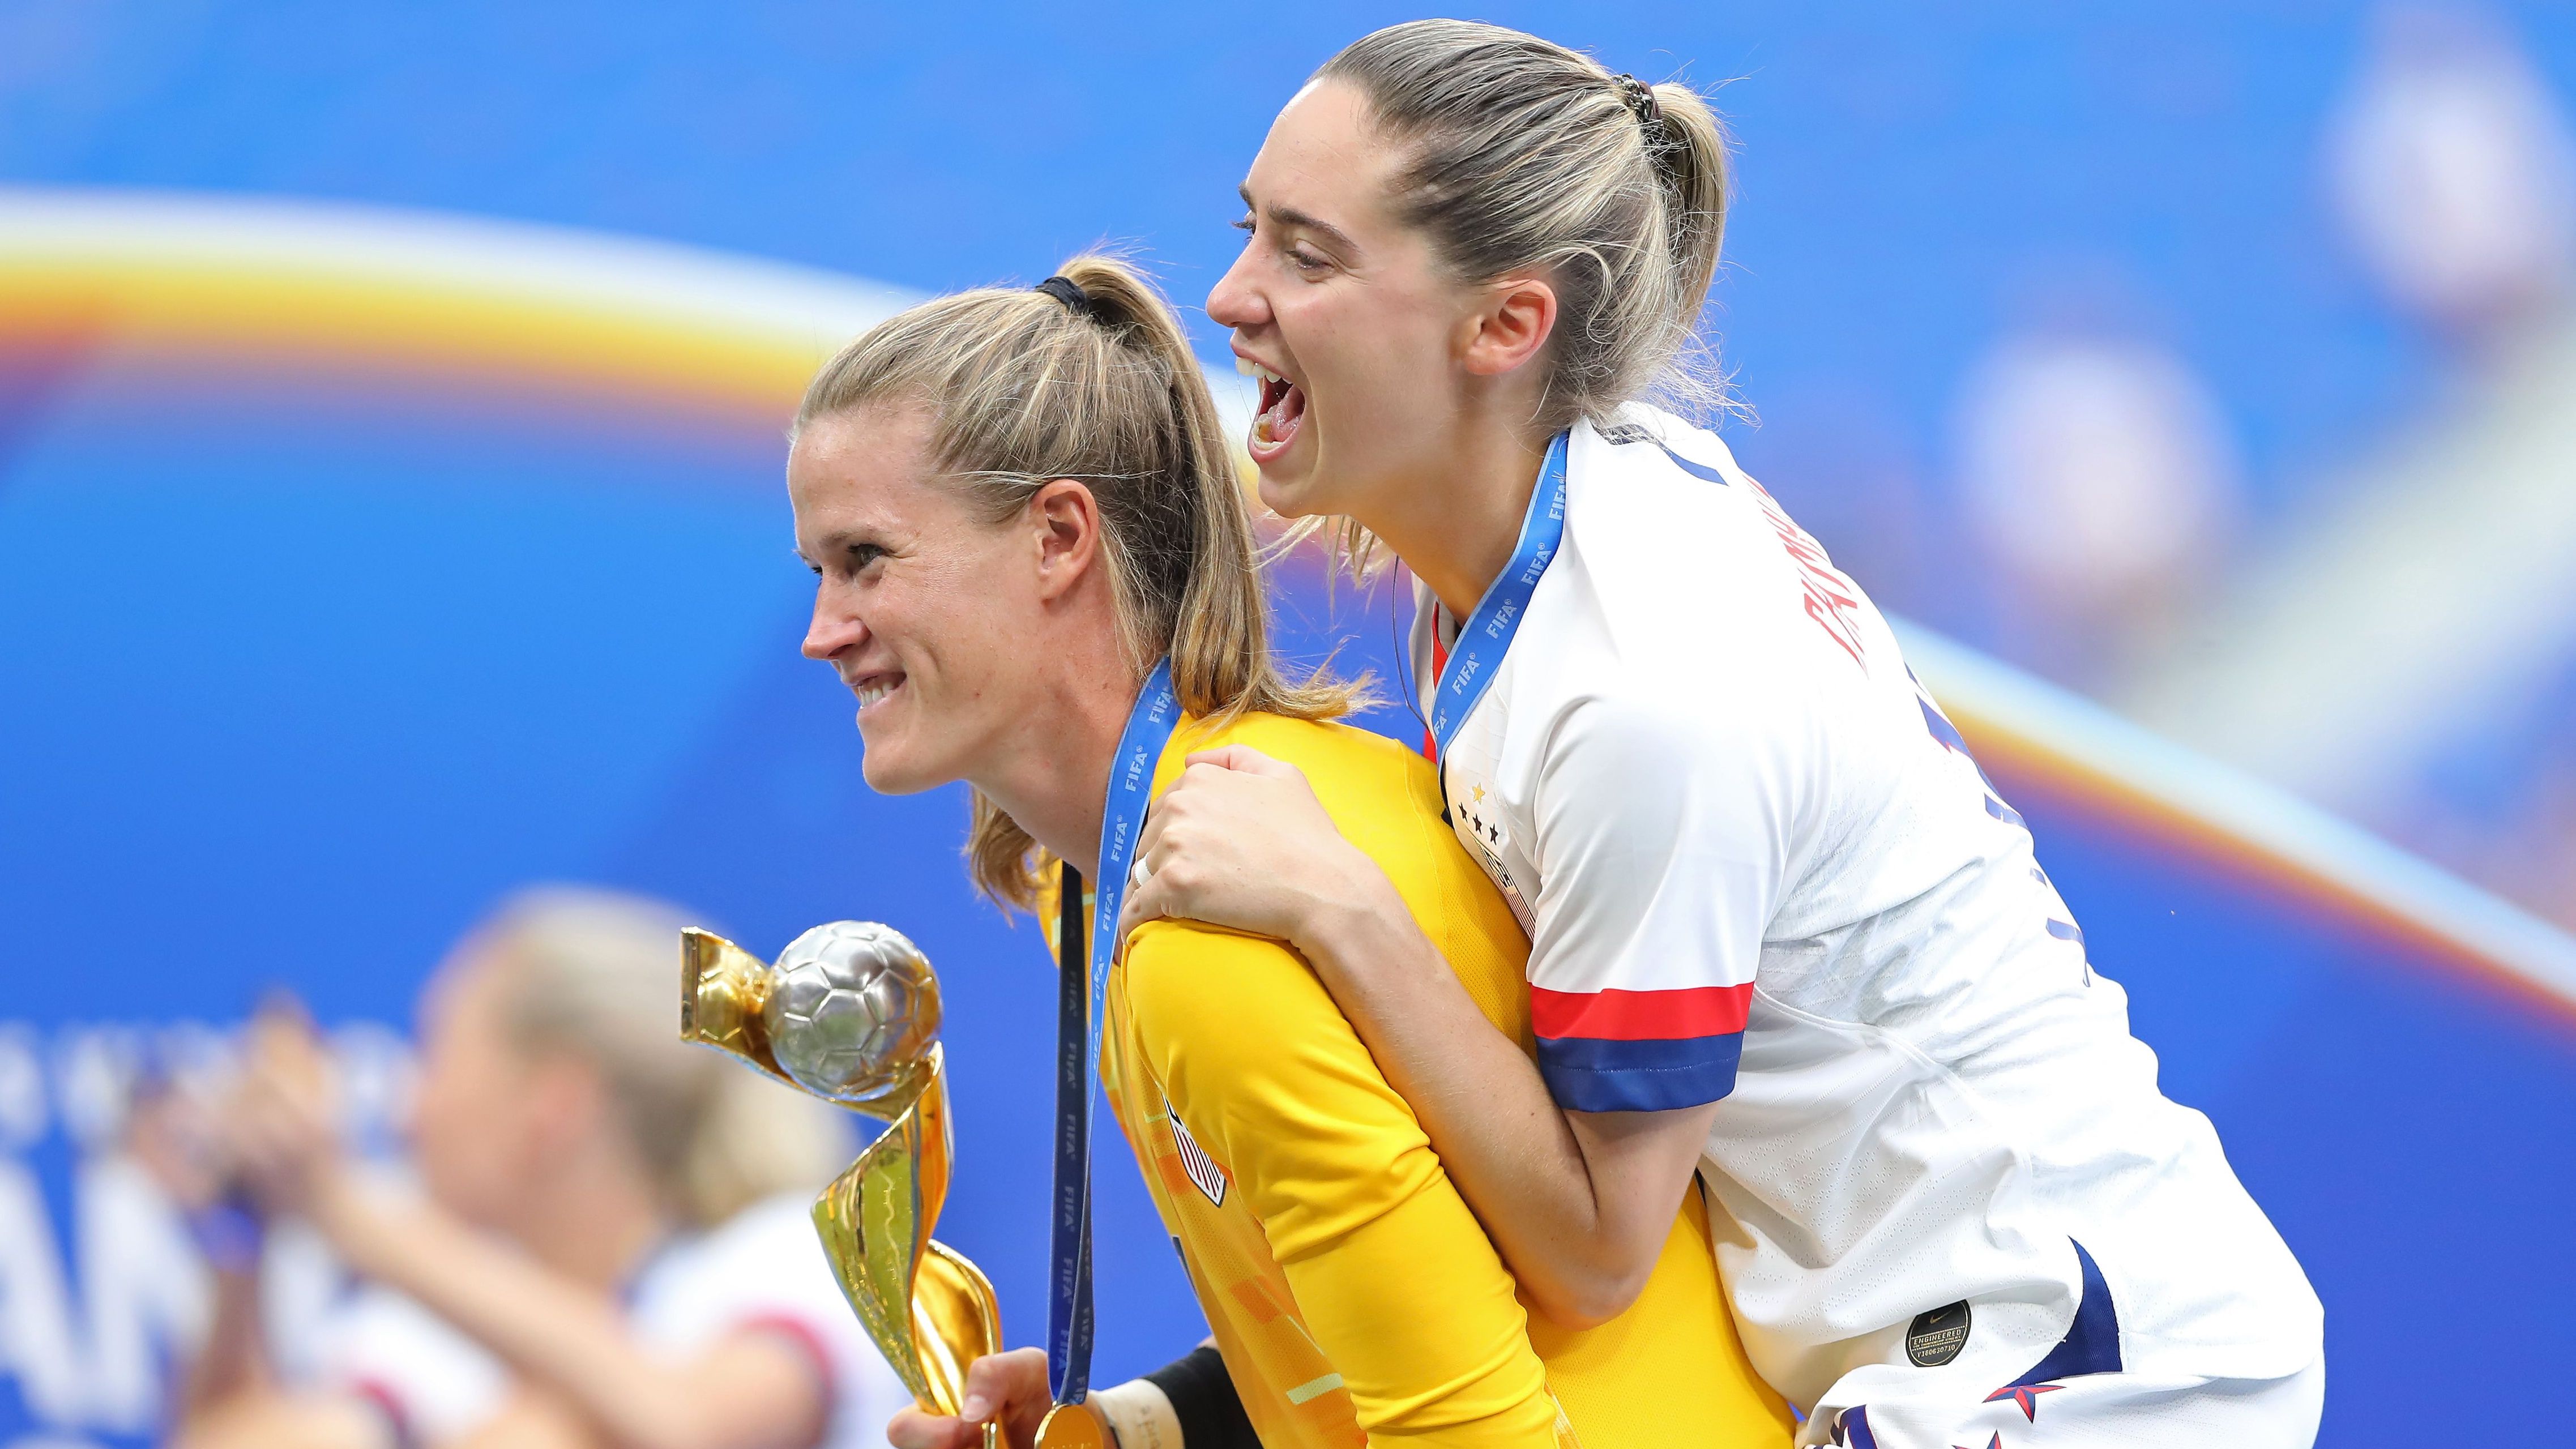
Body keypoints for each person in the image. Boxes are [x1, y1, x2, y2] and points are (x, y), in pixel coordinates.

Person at [1122, 19, 2326, 1448]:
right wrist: (1169, 1417)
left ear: (1507, 325)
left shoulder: (1643, 690)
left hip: (2076, 1370)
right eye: (1251, 231)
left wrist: (1341, 910)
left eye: (1308, 257)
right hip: (1984, 1337)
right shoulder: (1554, 548)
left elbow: (1589, 1249)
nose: (1231, 294)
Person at [787, 254, 1791, 1449]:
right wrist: (1126, 1431)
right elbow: (1378, 1317)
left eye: (866, 560)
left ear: (1059, 537)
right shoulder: (1195, 850)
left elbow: (1469, 1428)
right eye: (818, 571)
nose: (821, 632)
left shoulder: (1218, 935)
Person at [168, 886, 911, 1449]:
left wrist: (342, 1209)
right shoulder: (431, 1322)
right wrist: (242, 1230)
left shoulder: (784, 1255)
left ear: (552, 1102)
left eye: (434, 1057)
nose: (406, 1112)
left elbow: (692, 1426)